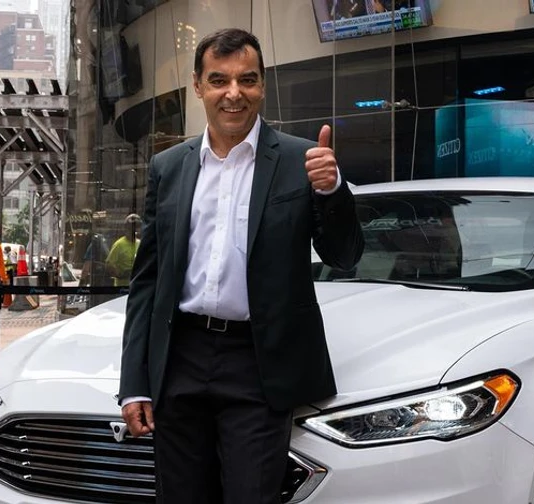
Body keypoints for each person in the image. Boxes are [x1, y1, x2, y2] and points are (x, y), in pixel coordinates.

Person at [118, 28, 364, 503]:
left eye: (247, 80)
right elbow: (147, 281)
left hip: (258, 363)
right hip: (180, 361)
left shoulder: (300, 160)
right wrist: (134, 383)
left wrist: (332, 190)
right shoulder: (168, 167)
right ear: (198, 86)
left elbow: (345, 256)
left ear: (263, 86)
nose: (234, 94)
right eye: (219, 80)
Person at [106, 213, 141, 286]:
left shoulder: (140, 243)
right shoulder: (119, 244)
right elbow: (109, 264)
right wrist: (120, 275)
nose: (134, 232)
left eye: (136, 228)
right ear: (126, 229)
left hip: (136, 286)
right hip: (121, 288)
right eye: (131, 229)